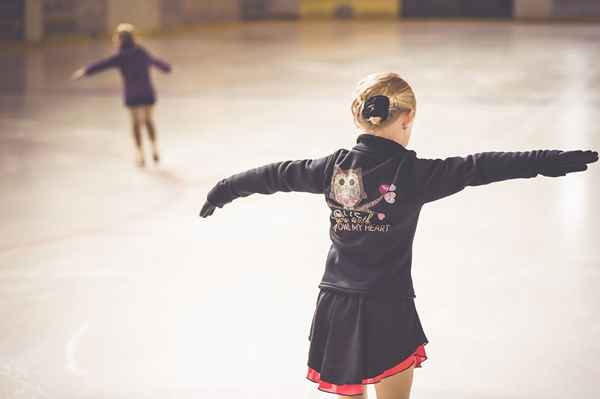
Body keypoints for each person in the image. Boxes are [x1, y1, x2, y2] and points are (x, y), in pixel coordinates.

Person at [198, 72, 598, 398]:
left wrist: (224, 188)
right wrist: (549, 161)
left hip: (337, 305)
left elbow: (273, 175)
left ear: (359, 119)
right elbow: (482, 167)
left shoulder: (329, 169)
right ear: (407, 119)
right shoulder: (415, 174)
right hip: (388, 305)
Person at [72, 23, 172, 167]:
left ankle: (140, 154)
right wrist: (167, 68)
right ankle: (154, 148)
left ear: (120, 39)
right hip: (146, 91)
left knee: (135, 123)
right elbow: (155, 62)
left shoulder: (120, 56)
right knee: (148, 120)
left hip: (132, 94)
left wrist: (85, 71)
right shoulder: (141, 52)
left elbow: (102, 64)